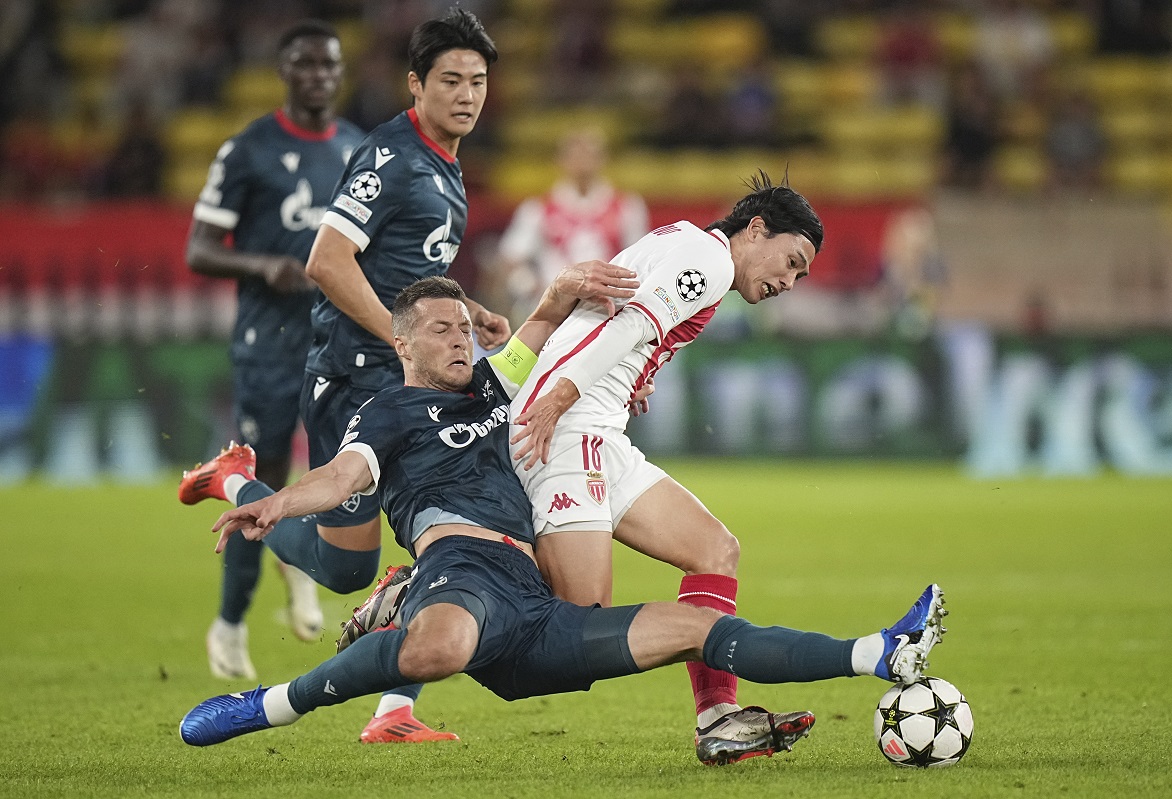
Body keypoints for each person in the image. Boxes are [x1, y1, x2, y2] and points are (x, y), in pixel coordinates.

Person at [178, 275, 949, 764]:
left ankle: (881, 651)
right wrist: (278, 495)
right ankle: (272, 701)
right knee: (435, 644)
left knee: (694, 626)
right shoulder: (390, 410)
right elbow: (347, 476)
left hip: (533, 601)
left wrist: (563, 297)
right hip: (466, 571)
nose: (460, 338)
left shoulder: (489, 389)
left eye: (464, 326)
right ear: (402, 341)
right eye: (441, 328)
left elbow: (538, 336)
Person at [178, 7, 510, 744]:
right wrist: (401, 338)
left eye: (478, 81)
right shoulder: (392, 157)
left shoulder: (444, 160)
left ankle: (394, 711)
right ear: (416, 84)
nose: (466, 94)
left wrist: (465, 311)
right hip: (356, 374)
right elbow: (328, 260)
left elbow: (410, 270)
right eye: (450, 80)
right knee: (349, 571)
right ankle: (242, 483)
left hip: (400, 372)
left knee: (454, 523)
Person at [504, 172, 826, 762]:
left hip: (600, 425)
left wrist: (638, 370)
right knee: (582, 627)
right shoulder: (713, 264)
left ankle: (719, 718)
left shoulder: (686, 240)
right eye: (790, 261)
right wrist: (556, 398)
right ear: (756, 230)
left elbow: (622, 317)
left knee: (714, 550)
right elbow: (628, 324)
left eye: (800, 276)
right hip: (570, 423)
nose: (789, 281)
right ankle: (424, 589)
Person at [179, 19, 363, 682]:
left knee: (344, 475)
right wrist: (264, 267)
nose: (319, 75)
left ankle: (305, 568)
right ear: (285, 71)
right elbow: (198, 248)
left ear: (340, 73)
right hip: (269, 346)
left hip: (337, 343)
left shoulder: (356, 147)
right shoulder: (249, 148)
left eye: (329, 65)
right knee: (260, 475)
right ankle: (229, 624)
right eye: (306, 64)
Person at [490, 129, 648, 321]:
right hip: (556, 308)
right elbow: (510, 260)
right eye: (575, 155)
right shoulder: (538, 208)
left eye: (589, 154)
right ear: (560, 160)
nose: (582, 162)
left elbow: (642, 260)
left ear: (603, 159)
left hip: (610, 309)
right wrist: (529, 285)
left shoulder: (627, 207)